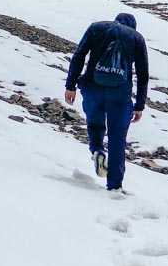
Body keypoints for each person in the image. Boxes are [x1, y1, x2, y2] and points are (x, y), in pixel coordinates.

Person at [64, 13, 149, 192]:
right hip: (119, 93)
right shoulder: (136, 38)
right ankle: (114, 186)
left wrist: (70, 85)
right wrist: (139, 105)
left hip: (92, 87)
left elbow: (79, 55)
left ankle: (97, 150)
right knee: (117, 137)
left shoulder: (97, 28)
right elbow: (143, 75)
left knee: (95, 123)